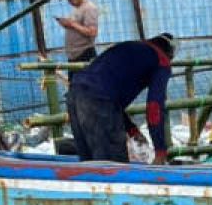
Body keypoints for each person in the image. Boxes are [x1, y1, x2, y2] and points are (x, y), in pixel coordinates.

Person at [67, 33, 175, 164]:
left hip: (74, 93)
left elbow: (108, 92)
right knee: (112, 168)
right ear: (170, 53)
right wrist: (160, 151)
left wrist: (132, 130)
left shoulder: (131, 47)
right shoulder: (161, 60)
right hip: (98, 101)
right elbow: (154, 108)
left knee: (88, 165)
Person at [56, 0, 100, 67]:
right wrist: (66, 24)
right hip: (74, 55)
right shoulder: (77, 8)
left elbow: (92, 32)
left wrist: (72, 24)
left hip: (84, 54)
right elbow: (76, 27)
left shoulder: (89, 8)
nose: (69, 1)